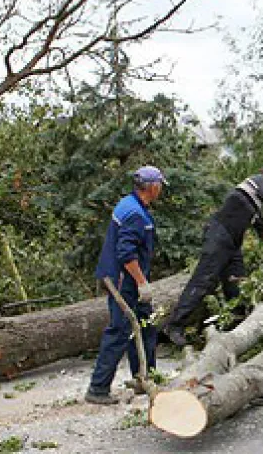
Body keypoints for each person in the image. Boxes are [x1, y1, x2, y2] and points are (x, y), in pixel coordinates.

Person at [160, 167, 263, 347]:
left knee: (236, 286)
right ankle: (174, 326)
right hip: (219, 235)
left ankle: (235, 332)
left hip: (233, 245)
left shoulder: (255, 208)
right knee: (204, 279)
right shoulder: (260, 180)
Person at [86, 165, 166, 405]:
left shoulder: (129, 204)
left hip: (127, 278)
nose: (161, 190)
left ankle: (145, 378)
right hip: (123, 281)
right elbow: (126, 253)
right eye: (160, 185)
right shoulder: (135, 214)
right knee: (120, 330)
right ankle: (97, 389)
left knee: (145, 324)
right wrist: (142, 283)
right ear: (152, 187)